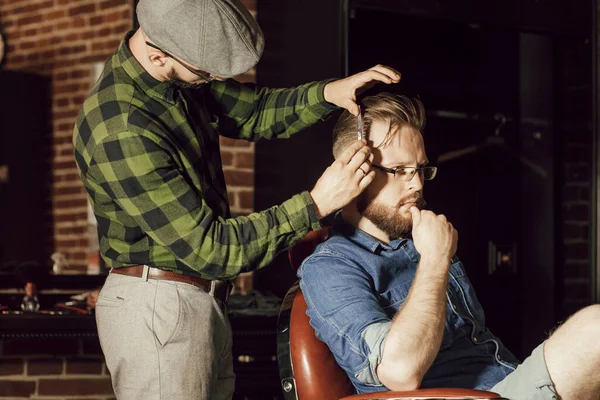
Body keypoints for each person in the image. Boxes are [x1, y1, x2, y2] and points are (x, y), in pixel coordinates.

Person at [72, 0, 401, 398]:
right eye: (204, 73)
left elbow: (255, 111)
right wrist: (315, 203)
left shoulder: (174, 73)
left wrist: (330, 93)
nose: (211, 80)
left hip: (202, 298)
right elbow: (210, 248)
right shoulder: (121, 127)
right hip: (158, 306)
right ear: (158, 54)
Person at [299, 92, 600, 400]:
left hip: (505, 381)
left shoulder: (419, 239)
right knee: (595, 331)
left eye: (420, 169)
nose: (417, 184)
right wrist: (435, 259)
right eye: (400, 171)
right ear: (353, 171)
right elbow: (400, 373)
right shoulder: (329, 267)